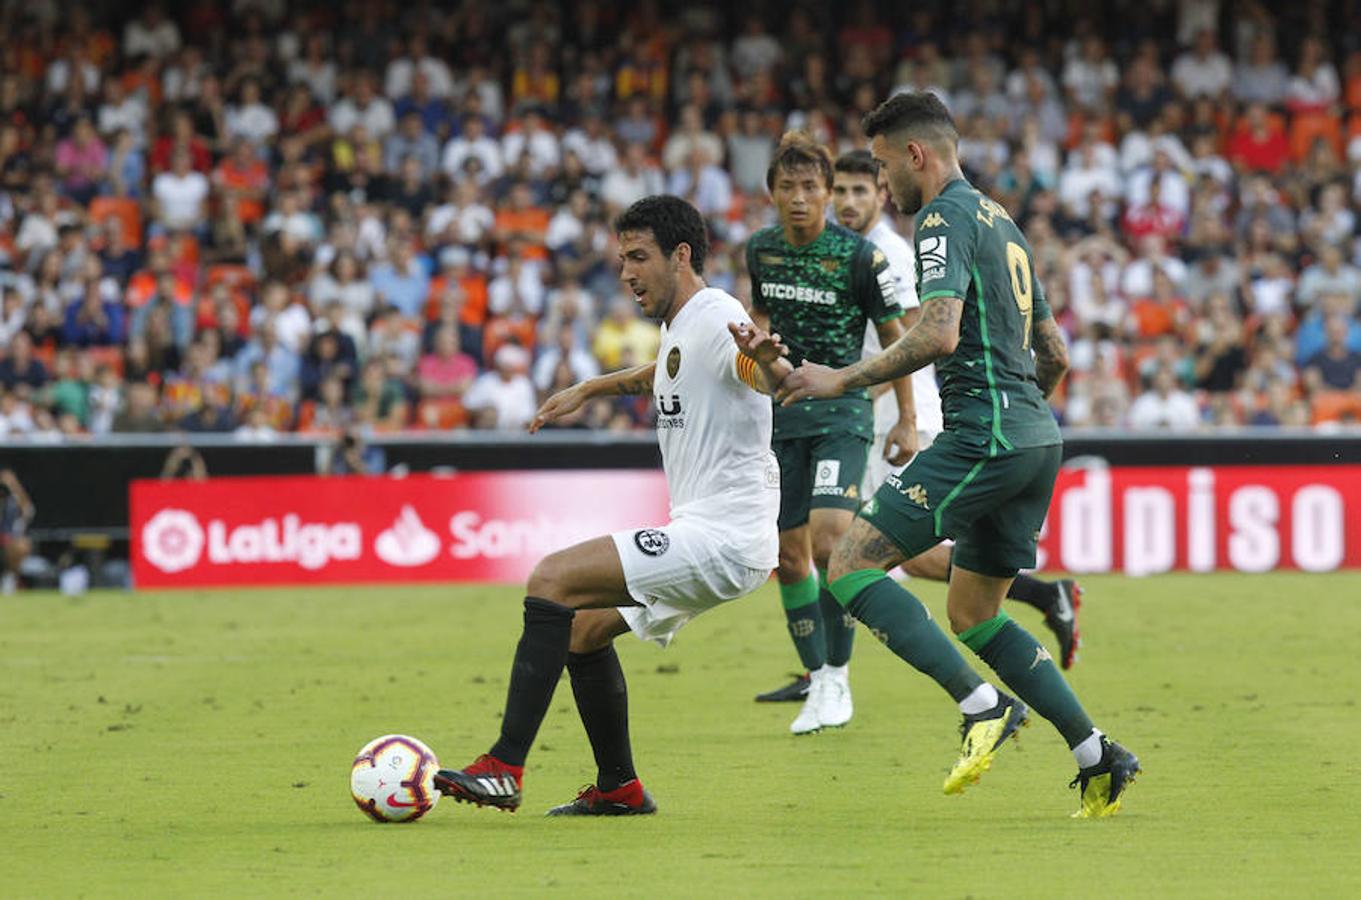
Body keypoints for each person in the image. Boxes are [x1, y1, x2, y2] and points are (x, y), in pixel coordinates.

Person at [771, 92, 1139, 818]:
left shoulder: (941, 216)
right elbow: (1055, 352)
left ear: (916, 155)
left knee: (847, 562)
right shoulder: (1001, 220)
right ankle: (1097, 754)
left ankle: (981, 707)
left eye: (881, 167)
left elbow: (937, 334)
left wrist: (840, 377)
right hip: (1034, 437)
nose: (882, 187)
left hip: (984, 436)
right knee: (973, 613)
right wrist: (1025, 413)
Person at [432, 195, 789, 817]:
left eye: (638, 257)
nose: (625, 272)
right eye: (621, 258)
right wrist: (592, 387)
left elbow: (752, 368)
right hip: (717, 533)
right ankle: (619, 788)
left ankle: (504, 765)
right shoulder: (684, 325)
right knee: (583, 631)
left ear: (681, 256)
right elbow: (671, 370)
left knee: (552, 579)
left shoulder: (717, 314)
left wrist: (768, 362)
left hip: (725, 537)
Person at [757, 152, 1085, 710]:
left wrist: (869, 398)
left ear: (884, 191)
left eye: (864, 188)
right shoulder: (987, 221)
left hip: (901, 414)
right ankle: (834, 674)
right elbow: (1053, 353)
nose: (849, 201)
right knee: (862, 549)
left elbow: (919, 337)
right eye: (844, 191)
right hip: (915, 413)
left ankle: (845, 679)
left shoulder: (891, 249)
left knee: (856, 550)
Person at [743, 132, 915, 735]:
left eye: (810, 188)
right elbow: (760, 328)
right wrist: (760, 359)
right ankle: (817, 679)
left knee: (830, 542)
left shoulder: (858, 257)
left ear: (824, 194)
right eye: (787, 187)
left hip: (844, 413)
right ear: (772, 193)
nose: (799, 198)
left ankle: (838, 677)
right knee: (789, 560)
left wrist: (910, 420)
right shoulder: (760, 252)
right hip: (784, 416)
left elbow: (899, 341)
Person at [0, 469, 35, 594]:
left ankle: (10, 579)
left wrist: (13, 485)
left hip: (10, 539)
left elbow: (28, 510)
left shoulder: (14, 502)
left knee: (21, 546)